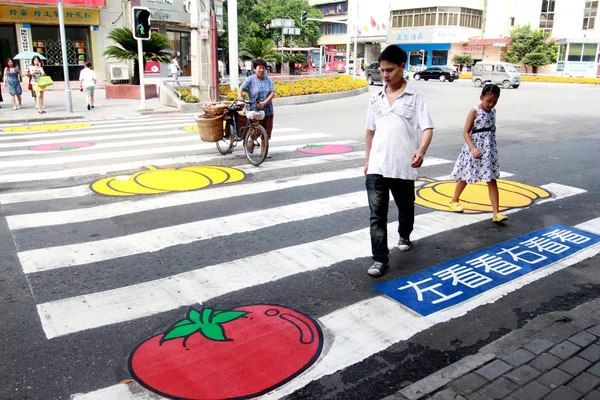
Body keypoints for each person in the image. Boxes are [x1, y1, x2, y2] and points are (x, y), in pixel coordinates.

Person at [364, 45, 434, 278]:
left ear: (403, 67)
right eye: (382, 70)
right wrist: (367, 161)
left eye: (390, 70)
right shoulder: (375, 98)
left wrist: (421, 150)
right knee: (377, 215)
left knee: (405, 209)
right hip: (377, 165)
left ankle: (405, 233)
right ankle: (380, 259)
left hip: (404, 166)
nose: (385, 75)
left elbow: (427, 128)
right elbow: (370, 132)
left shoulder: (415, 97)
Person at [448, 84, 507, 223]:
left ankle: (496, 213)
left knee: (491, 179)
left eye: (494, 102)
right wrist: (473, 148)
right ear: (481, 97)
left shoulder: (493, 112)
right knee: (465, 176)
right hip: (473, 148)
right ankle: (454, 200)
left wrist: (491, 149)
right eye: (488, 101)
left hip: (488, 150)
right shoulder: (474, 111)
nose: (491, 104)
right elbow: (465, 132)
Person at [237, 59, 275, 156]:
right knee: (256, 130)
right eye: (259, 68)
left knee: (266, 132)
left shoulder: (268, 80)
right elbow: (241, 88)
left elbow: (272, 93)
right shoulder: (250, 79)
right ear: (254, 69)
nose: (262, 70)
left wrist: (264, 103)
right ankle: (251, 140)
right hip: (254, 110)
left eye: (263, 68)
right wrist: (240, 96)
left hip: (268, 110)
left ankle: (264, 153)